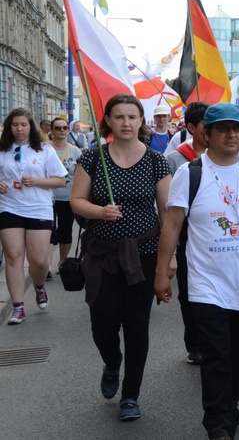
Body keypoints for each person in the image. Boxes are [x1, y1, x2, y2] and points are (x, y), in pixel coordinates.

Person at [155, 102, 239, 440]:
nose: (231, 134)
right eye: (223, 128)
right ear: (206, 133)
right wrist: (161, 271)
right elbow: (172, 224)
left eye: (237, 128)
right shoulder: (190, 173)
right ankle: (219, 422)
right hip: (205, 283)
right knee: (216, 354)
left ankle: (230, 401)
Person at [70, 93, 171, 421]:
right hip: (102, 256)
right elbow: (76, 201)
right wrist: (100, 211)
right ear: (109, 121)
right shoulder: (92, 158)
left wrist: (170, 258)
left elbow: (167, 213)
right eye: (119, 117)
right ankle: (112, 363)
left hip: (144, 254)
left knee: (137, 326)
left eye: (132, 116)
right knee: (103, 323)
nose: (126, 123)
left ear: (141, 121)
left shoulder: (157, 161)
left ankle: (131, 395)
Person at [0, 109, 66, 324]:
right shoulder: (2, 150)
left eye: (23, 125)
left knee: (38, 261)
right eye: (15, 125)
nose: (19, 129)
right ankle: (18, 307)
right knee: (13, 257)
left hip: (38, 208)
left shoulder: (44, 150)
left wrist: (37, 181)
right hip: (9, 207)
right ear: (9, 127)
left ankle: (38, 286)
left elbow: (60, 181)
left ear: (31, 127)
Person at [165, 101, 210, 365]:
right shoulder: (175, 160)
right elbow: (167, 208)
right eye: (206, 126)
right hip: (185, 240)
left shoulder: (230, 156)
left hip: (215, 238)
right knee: (189, 292)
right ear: (191, 127)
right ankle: (194, 343)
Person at [48, 118, 82, 274]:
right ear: (52, 130)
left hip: (68, 197)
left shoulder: (75, 151)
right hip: (47, 197)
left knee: (65, 231)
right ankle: (46, 265)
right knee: (48, 231)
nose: (62, 130)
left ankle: (62, 262)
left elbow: (82, 174)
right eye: (58, 128)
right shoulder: (45, 149)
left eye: (65, 127)